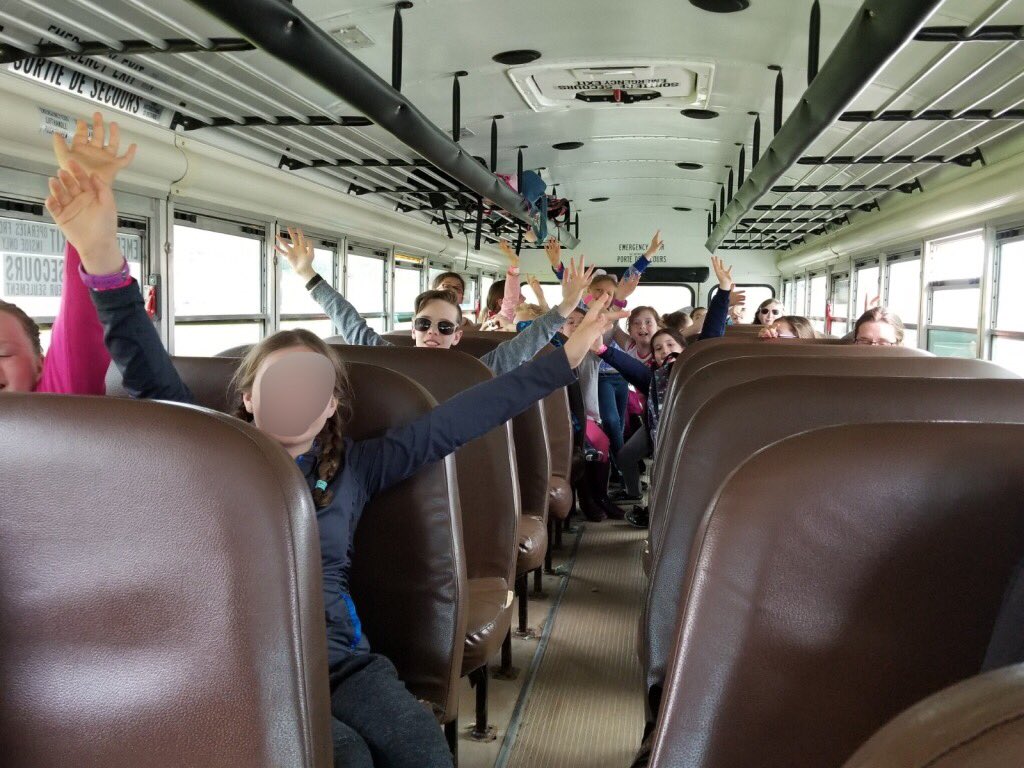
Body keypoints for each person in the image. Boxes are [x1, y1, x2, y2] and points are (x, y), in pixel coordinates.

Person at [43, 154, 624, 768]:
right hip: (241, 660)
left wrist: (564, 357)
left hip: (340, 660)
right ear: (249, 396)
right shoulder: (213, 455)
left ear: (329, 407)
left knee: (420, 749)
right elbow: (146, 371)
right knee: (344, 755)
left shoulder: (359, 466)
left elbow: (464, 416)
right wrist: (102, 257)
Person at [276, 227, 594, 375]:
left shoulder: (474, 369)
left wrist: (567, 305)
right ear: (413, 329)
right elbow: (350, 322)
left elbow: (525, 344)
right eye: (424, 324)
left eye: (444, 327)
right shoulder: (392, 359)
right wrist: (308, 275)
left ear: (457, 335)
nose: (432, 332)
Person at [592, 256, 734, 526]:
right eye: (659, 349)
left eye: (670, 345)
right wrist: (601, 350)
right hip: (660, 428)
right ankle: (643, 502)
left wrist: (724, 289)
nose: (664, 350)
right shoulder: (655, 378)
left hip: (698, 430)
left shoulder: (697, 365)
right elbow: (631, 368)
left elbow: (712, 331)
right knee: (636, 460)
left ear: (683, 347)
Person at [0, 112, 135, 395]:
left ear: (40, 365)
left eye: (3, 354)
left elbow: (78, 332)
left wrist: (87, 242)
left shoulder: (55, 406)